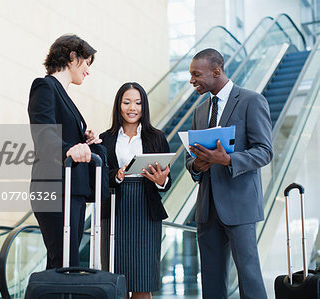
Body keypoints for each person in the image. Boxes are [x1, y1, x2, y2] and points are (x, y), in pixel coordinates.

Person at [185, 48, 273, 299]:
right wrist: (197, 166)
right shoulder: (200, 111)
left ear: (216, 71)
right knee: (210, 277)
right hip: (207, 207)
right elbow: (189, 160)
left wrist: (228, 159)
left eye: (196, 74)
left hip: (240, 205)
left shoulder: (251, 101)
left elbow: (265, 151)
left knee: (249, 275)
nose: (192, 81)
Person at [28, 34, 100, 269]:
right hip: (55, 189)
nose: (88, 70)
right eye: (86, 62)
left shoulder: (63, 94)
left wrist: (85, 142)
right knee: (63, 262)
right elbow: (44, 133)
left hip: (71, 190)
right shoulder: (45, 86)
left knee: (64, 263)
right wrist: (70, 149)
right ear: (72, 57)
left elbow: (63, 138)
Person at [100, 82, 171, 299]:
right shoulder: (106, 138)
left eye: (138, 103)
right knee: (115, 278)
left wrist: (161, 180)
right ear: (118, 105)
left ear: (144, 107)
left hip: (146, 211)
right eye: (127, 102)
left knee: (142, 280)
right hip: (115, 208)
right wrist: (117, 175)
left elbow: (167, 180)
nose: (133, 108)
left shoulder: (156, 137)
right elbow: (100, 176)